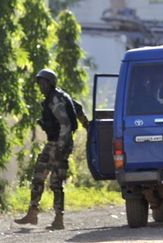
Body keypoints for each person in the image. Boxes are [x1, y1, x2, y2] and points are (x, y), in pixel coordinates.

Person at [14, 68, 82, 230]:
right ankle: (33, 213)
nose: (40, 86)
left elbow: (66, 124)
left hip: (59, 144)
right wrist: (87, 125)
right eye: (39, 83)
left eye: (43, 82)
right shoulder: (59, 96)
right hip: (54, 143)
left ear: (51, 83)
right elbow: (77, 108)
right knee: (39, 175)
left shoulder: (55, 100)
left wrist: (60, 147)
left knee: (56, 182)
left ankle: (58, 219)